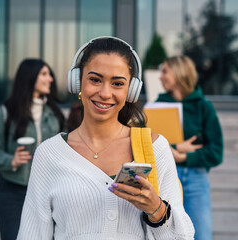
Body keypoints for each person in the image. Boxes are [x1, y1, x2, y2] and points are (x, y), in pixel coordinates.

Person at [17, 37, 194, 239]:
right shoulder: (48, 154)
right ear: (77, 82)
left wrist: (157, 211)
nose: (105, 93)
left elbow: (183, 237)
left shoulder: (155, 148)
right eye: (95, 80)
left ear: (131, 91)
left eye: (117, 83)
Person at [0, 58, 65, 240]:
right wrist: (10, 160)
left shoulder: (55, 114)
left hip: (47, 189)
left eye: (50, 74)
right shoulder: (6, 113)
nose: (50, 79)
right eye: (44, 74)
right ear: (30, 78)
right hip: (13, 191)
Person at [156, 56, 223, 240]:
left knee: (201, 236)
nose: (160, 77)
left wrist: (182, 157)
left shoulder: (204, 108)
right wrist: (178, 147)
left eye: (165, 71)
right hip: (166, 176)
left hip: (195, 180)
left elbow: (216, 152)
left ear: (179, 73)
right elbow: (151, 145)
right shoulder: (156, 106)